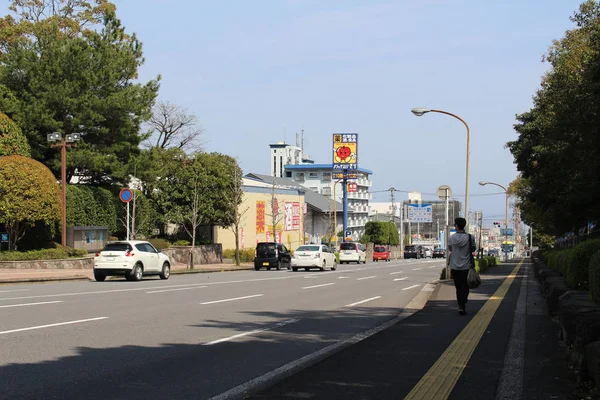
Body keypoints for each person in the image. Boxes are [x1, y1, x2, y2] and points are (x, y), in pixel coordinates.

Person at [448, 217, 476, 315]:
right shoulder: (470, 237)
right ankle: (463, 303)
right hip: (466, 265)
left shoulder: (451, 238)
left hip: (455, 266)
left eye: (455, 225)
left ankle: (460, 304)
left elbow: (450, 249)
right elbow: (473, 248)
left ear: (456, 226)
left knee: (458, 287)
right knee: (465, 286)